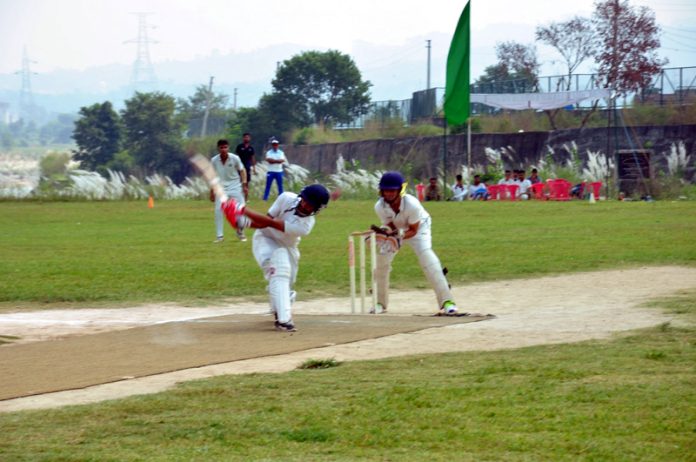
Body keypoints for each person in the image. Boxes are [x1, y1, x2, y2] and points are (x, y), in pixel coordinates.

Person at [222, 184, 331, 332]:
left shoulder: (306, 226)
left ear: (317, 209)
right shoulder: (286, 198)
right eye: (305, 201)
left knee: (287, 284)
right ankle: (284, 320)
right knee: (279, 270)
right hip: (265, 239)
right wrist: (241, 222)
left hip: (288, 247)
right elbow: (265, 222)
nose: (305, 206)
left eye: (311, 205)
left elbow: (271, 223)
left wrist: (241, 211)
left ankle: (279, 307)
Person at [372, 171, 458, 315]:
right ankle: (380, 303)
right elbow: (390, 225)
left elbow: (413, 230)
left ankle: (447, 302)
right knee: (381, 261)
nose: (389, 193)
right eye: (386, 190)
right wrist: (387, 234)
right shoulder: (379, 206)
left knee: (427, 258)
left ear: (400, 190)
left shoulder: (412, 204)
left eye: (392, 190)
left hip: (419, 228)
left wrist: (399, 236)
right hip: (398, 230)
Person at [211, 139, 247, 243]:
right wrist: (212, 192)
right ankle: (219, 236)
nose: (223, 150)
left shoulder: (235, 158)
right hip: (221, 188)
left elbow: (242, 170)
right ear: (218, 148)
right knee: (218, 210)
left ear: (228, 148)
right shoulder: (214, 160)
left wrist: (244, 184)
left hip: (235, 186)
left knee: (240, 210)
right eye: (221, 147)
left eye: (225, 147)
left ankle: (240, 232)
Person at [235, 132, 256, 199]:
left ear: (249, 138)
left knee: (246, 182)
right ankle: (238, 196)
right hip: (240, 167)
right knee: (239, 182)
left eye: (247, 137)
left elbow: (252, 158)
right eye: (245, 137)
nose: (246, 138)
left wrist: (254, 168)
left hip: (247, 167)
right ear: (243, 138)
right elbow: (236, 157)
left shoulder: (251, 148)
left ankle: (246, 198)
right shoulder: (239, 147)